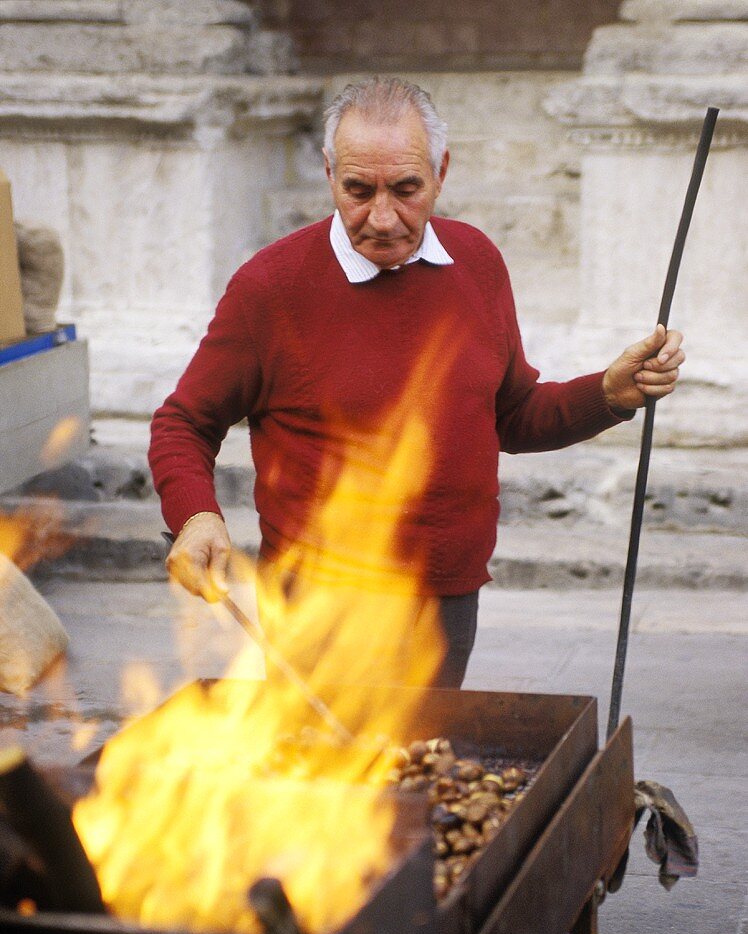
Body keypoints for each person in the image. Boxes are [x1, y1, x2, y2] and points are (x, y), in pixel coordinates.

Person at [149, 77, 683, 689]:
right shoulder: (271, 288)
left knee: (425, 772)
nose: (382, 217)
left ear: (441, 172)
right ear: (328, 173)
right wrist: (195, 515)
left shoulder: (476, 262)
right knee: (329, 777)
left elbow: (508, 414)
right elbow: (183, 423)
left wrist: (607, 395)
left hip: (448, 596)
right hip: (321, 607)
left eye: (406, 189)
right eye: (358, 190)